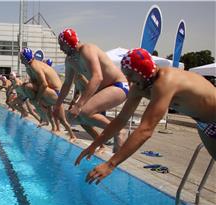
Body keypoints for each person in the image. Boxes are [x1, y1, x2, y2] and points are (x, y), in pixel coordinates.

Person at [75, 48, 216, 184]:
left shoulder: (166, 81)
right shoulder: (139, 87)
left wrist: (110, 164)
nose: (128, 80)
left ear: (142, 71)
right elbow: (121, 120)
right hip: (204, 124)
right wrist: (94, 145)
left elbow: (145, 130)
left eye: (130, 74)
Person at [54, 28, 129, 152]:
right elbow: (67, 84)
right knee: (72, 118)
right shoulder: (70, 60)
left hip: (119, 86)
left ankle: (119, 130)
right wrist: (57, 106)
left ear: (68, 43)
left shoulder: (87, 49)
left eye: (62, 45)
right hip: (104, 90)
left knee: (83, 111)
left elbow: (97, 77)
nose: (61, 49)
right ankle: (109, 136)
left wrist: (78, 105)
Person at [20, 47, 77, 141]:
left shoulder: (35, 66)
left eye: (21, 57)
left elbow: (44, 84)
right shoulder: (29, 68)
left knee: (62, 120)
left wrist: (37, 99)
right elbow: (35, 82)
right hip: (48, 93)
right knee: (30, 96)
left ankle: (72, 135)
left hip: (56, 93)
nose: (20, 59)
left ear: (25, 58)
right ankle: (45, 119)